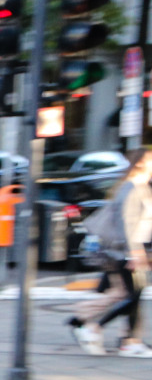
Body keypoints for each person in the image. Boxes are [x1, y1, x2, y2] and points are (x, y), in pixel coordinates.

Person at [68, 150, 152, 357]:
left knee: (126, 294)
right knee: (131, 295)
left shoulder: (138, 186)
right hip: (124, 252)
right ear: (141, 163)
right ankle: (96, 328)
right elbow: (128, 221)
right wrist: (134, 252)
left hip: (127, 251)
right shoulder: (132, 187)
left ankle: (125, 338)